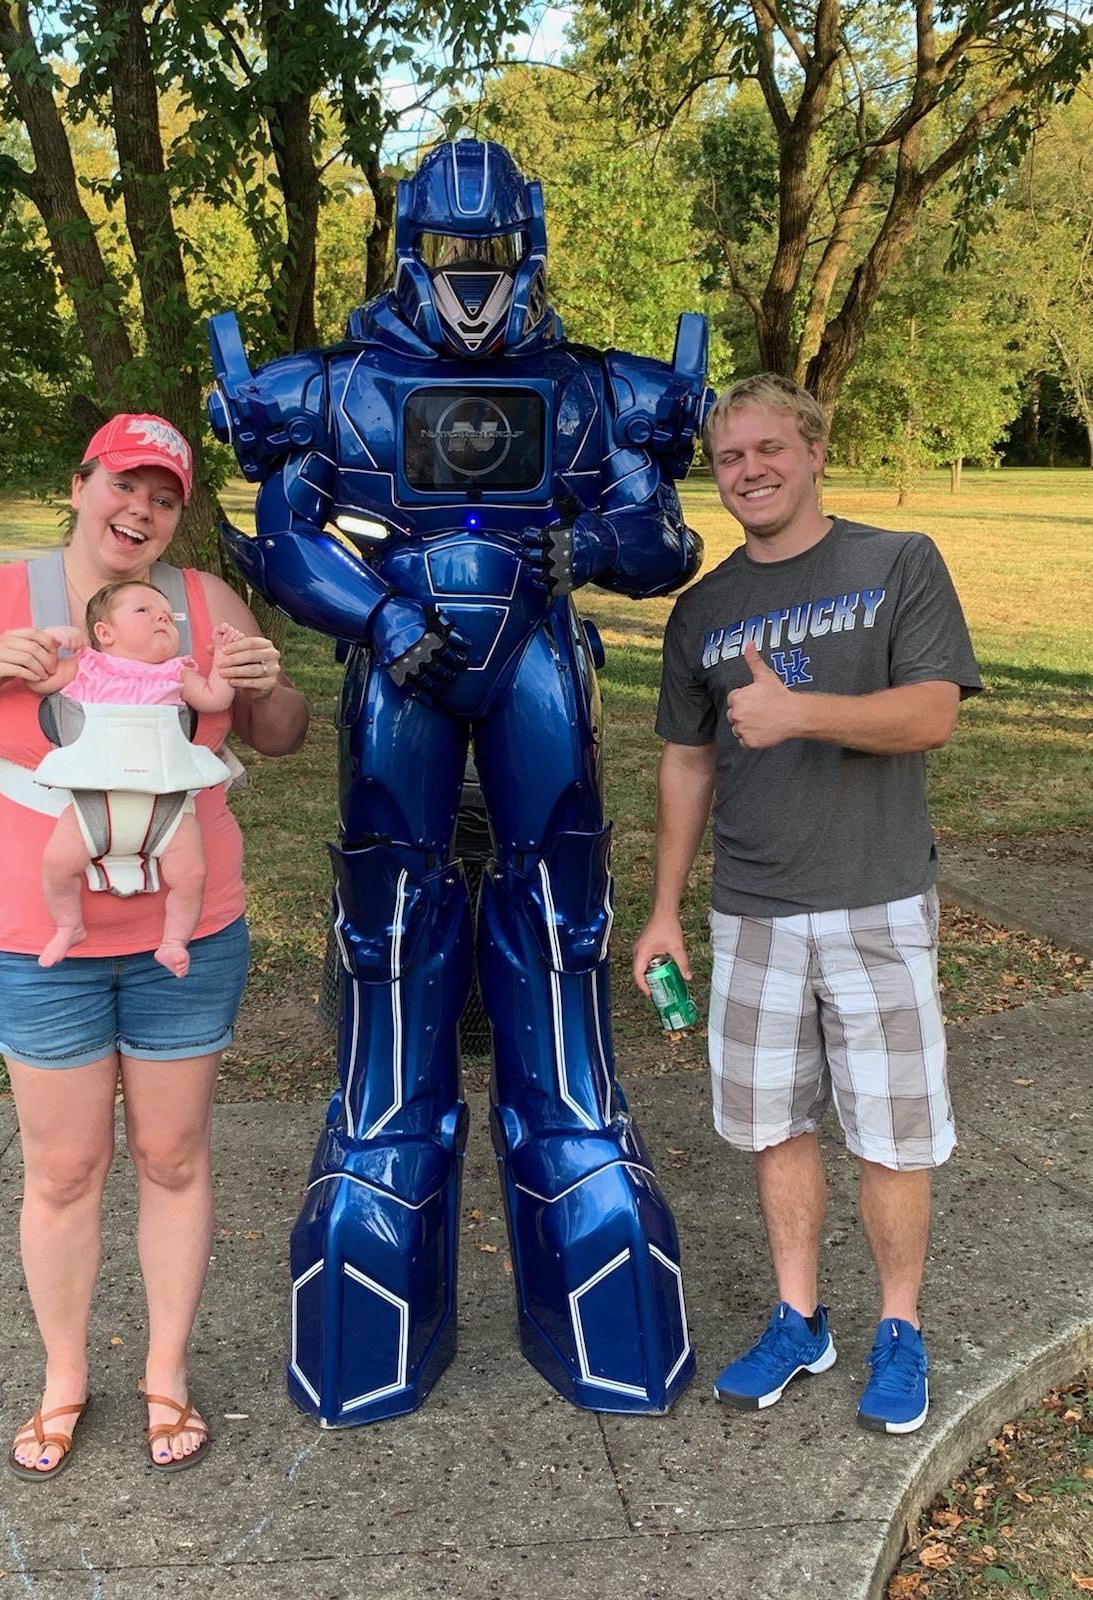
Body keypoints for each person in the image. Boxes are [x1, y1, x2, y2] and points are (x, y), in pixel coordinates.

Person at [207, 138, 713, 1425]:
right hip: (403, 660)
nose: (472, 284)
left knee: (562, 914)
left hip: (539, 661)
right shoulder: (342, 381)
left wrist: (584, 539)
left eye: (490, 258)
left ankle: (574, 1134)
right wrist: (377, 621)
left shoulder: (592, 390)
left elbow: (665, 536)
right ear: (413, 253)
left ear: (527, 251)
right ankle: (384, 1132)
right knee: (385, 921)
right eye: (451, 257)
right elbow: (282, 534)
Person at [0, 413, 308, 1477]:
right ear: (79, 485)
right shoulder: (0, 599)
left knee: (173, 1157)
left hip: (187, 931)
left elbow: (281, 734)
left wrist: (265, 682)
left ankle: (166, 1372)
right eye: (125, 486)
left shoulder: (203, 602)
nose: (143, 511)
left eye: (165, 497)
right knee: (66, 1169)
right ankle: (64, 1376)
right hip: (46, 939)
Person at [632, 373, 982, 1435]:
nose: (749, 472)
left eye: (768, 449)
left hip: (874, 901)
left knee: (890, 1134)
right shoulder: (704, 611)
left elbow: (930, 714)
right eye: (730, 458)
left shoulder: (896, 565)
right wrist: (663, 911)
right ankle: (800, 1316)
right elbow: (686, 768)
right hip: (752, 912)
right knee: (773, 1126)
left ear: (815, 448)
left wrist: (798, 713)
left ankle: (900, 1328)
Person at [30, 584, 243, 975]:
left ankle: (174, 941)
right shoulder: (85, 666)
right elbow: (39, 681)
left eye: (168, 613)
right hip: (94, 805)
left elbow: (215, 699)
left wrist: (226, 662)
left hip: (167, 810)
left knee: (191, 873)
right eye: (144, 610)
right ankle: (69, 925)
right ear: (104, 633)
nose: (163, 616)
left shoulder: (179, 672)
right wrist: (51, 641)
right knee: (57, 862)